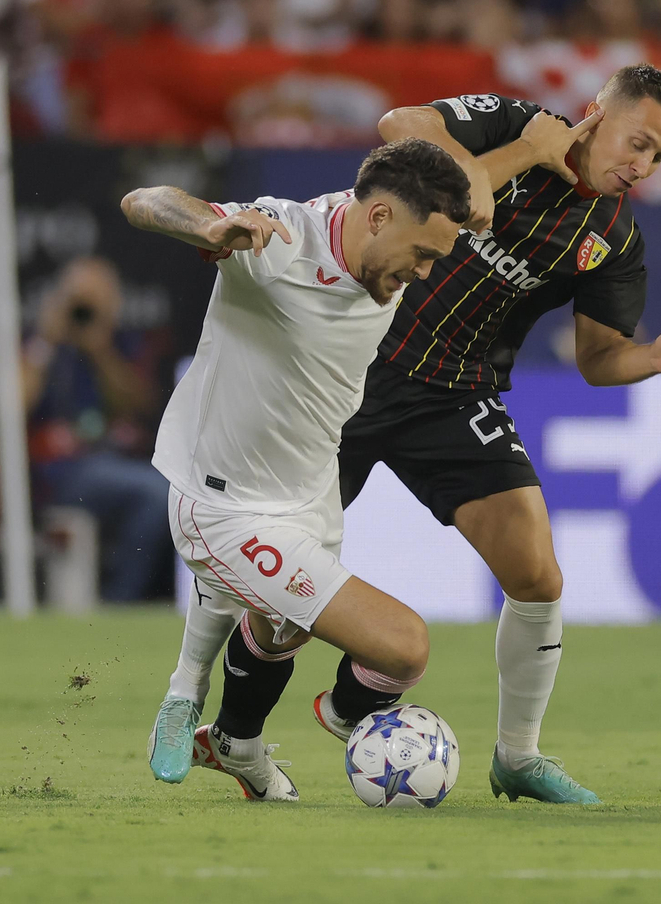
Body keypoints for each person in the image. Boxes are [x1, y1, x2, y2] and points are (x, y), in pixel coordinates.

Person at [338, 64, 661, 805]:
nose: (641, 166)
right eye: (637, 142)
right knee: (283, 548)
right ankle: (227, 721)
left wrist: (652, 359)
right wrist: (521, 154)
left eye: (659, 158)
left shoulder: (612, 237)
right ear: (597, 114)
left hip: (453, 393)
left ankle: (518, 755)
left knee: (538, 573)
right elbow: (397, 125)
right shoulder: (513, 123)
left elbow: (599, 361)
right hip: (352, 365)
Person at [126, 137, 470, 800]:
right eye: (422, 254)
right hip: (221, 503)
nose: (424, 272)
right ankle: (191, 697)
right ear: (378, 219)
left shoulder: (382, 233)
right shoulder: (278, 241)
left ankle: (236, 744)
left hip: (309, 489)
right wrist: (209, 224)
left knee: (281, 625)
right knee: (403, 648)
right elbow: (144, 200)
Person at [22, 256, 170, 603]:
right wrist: (47, 339)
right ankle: (121, 602)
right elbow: (15, 403)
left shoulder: (123, 343)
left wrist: (100, 349)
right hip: (62, 471)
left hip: (117, 462)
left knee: (166, 495)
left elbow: (137, 404)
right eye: (79, 299)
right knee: (156, 493)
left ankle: (129, 598)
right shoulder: (42, 344)